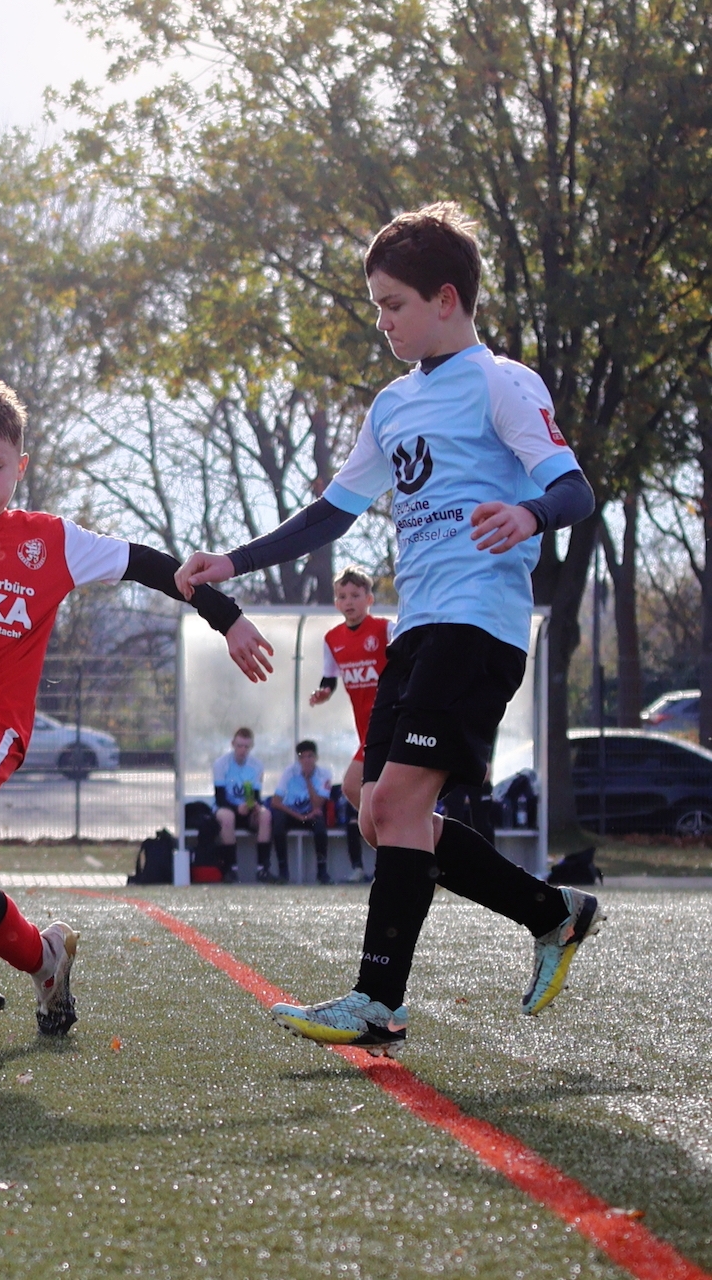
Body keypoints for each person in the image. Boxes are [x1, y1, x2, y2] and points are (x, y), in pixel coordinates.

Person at [176, 202, 602, 1055]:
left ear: (446, 299)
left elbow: (573, 489)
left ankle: (378, 1001)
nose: (383, 322)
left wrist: (528, 514)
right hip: (418, 629)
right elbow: (331, 514)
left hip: (479, 624)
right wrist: (235, 561)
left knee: (400, 802)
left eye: (394, 304)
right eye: (377, 306)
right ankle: (551, 911)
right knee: (376, 812)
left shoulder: (503, 384)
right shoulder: (393, 404)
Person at [0, 379, 273, 1033]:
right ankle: (45, 959)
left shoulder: (50, 540)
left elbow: (149, 565)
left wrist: (226, 616)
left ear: (21, 466)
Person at [309, 565, 390, 882]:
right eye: (342, 596)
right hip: (367, 732)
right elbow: (330, 678)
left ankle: (399, 851)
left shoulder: (386, 629)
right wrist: (323, 693)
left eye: (355, 595)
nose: (349, 601)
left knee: (354, 786)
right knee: (360, 793)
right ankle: (402, 848)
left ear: (369, 599)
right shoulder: (332, 639)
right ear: (336, 602)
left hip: (391, 724)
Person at [211, 727, 273, 882]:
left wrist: (254, 806)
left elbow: (255, 796)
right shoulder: (221, 764)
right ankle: (230, 869)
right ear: (233, 744)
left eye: (246, 747)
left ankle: (262, 869)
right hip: (226, 808)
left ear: (251, 746)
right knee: (227, 817)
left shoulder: (257, 765)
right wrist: (237, 808)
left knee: (265, 815)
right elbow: (220, 799)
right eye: (239, 746)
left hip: (246, 810)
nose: (242, 750)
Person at [269, 740, 334, 884]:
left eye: (310, 756)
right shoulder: (289, 772)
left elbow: (317, 804)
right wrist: (300, 816)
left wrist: (308, 779)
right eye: (302, 757)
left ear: (316, 757)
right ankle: (283, 872)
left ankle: (322, 872)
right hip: (293, 814)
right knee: (278, 824)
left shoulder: (324, 774)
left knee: (320, 826)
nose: (306, 760)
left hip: (311, 814)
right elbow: (276, 801)